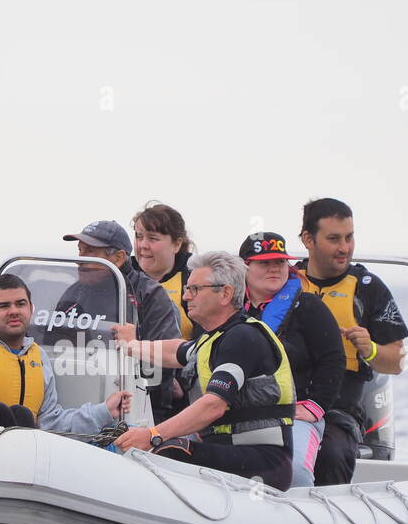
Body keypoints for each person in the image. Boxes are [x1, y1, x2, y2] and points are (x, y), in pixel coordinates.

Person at [111, 251, 296, 492]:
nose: (186, 296)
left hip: (263, 461)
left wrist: (152, 434)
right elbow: (177, 351)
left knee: (170, 449)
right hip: (229, 451)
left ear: (226, 294)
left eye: (195, 289)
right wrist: (133, 346)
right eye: (187, 288)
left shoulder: (243, 338)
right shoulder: (213, 339)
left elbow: (213, 405)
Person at [294, 198, 408, 485]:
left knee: (332, 453)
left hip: (340, 405)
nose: (344, 247)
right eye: (334, 239)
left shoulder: (369, 288)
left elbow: (397, 362)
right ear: (308, 239)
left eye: (349, 237)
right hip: (286, 397)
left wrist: (370, 349)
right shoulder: (286, 281)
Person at [239, 232, 345, 488]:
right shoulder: (227, 307)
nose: (274, 268)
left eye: (280, 262)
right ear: (244, 267)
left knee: (293, 472)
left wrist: (315, 405)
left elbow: (333, 359)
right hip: (236, 415)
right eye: (265, 263)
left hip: (292, 415)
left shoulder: (310, 307)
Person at [0, 273, 131, 433]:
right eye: (4, 306)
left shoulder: (38, 356)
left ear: (31, 309)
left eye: (20, 304)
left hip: (24, 448)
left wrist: (104, 411)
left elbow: (52, 423)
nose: (14, 311)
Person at [54, 220, 181, 416]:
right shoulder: (73, 294)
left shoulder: (149, 294)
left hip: (142, 408)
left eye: (90, 252)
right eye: (80, 251)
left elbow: (166, 362)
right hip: (76, 401)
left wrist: (135, 344)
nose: (80, 259)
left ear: (119, 258)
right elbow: (51, 349)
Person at [130, 201, 195, 339]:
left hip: (176, 359)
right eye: (138, 236)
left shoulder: (194, 279)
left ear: (177, 244)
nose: (143, 245)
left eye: (152, 238)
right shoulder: (120, 276)